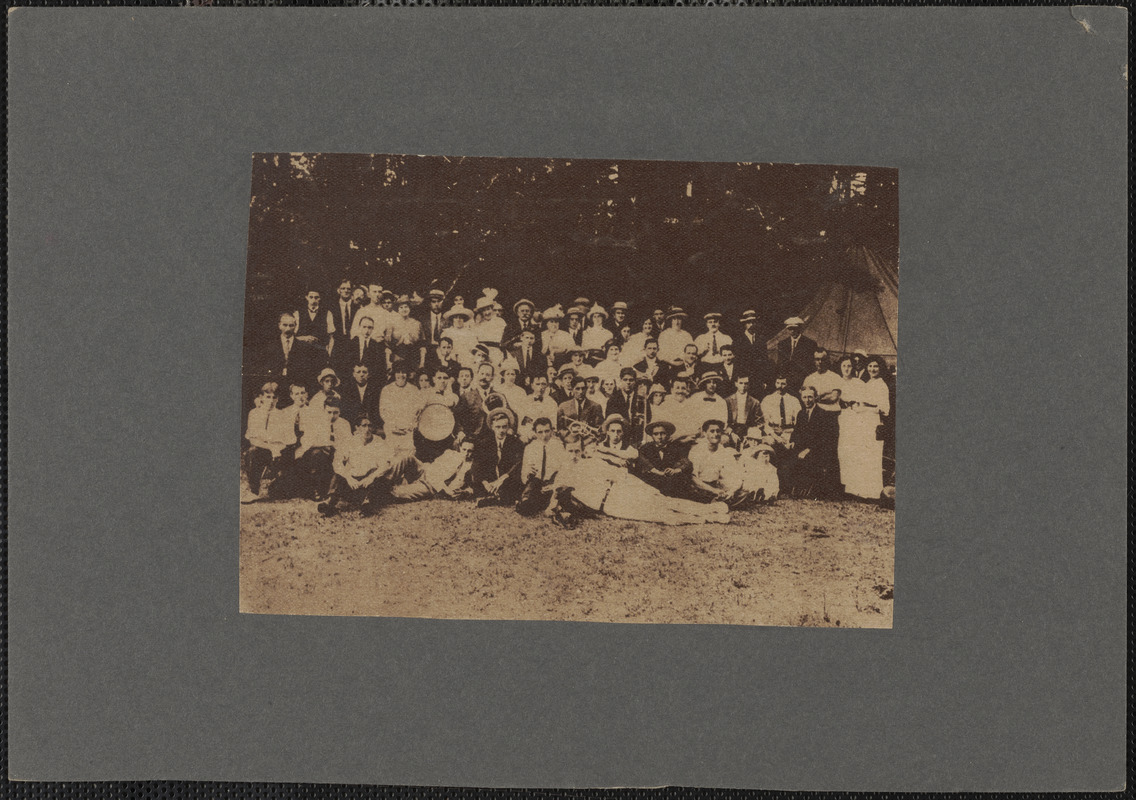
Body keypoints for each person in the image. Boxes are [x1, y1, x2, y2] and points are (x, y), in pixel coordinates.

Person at [549, 429, 729, 527]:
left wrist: (645, 489)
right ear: (564, 450)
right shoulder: (564, 473)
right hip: (610, 507)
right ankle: (708, 518)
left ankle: (714, 510)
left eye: (577, 451)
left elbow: (621, 476)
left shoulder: (592, 461)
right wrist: (556, 508)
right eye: (570, 451)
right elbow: (551, 505)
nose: (574, 454)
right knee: (663, 517)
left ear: (581, 450)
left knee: (666, 502)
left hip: (621, 493)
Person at [317, 417, 418, 517]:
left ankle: (367, 504)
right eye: (364, 425)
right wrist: (349, 478)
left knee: (379, 479)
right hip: (353, 481)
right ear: (357, 428)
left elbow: (385, 465)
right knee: (338, 476)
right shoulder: (349, 442)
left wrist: (371, 477)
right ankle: (329, 502)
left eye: (370, 426)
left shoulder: (379, 443)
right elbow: (337, 462)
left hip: (370, 481)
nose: (367, 429)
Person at [836, 354, 889, 501]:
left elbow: (884, 408)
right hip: (863, 422)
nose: (872, 369)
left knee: (872, 457)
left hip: (872, 421)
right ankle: (858, 490)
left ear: (880, 368)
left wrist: (865, 408)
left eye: (875, 366)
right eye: (870, 366)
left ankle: (872, 492)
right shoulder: (868, 383)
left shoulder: (881, 384)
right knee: (861, 456)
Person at [241, 382, 298, 502]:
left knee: (279, 493)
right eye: (268, 397)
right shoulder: (254, 414)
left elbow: (289, 440)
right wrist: (271, 448)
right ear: (261, 397)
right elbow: (253, 439)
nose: (271, 401)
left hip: (280, 452)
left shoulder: (283, 415)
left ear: (278, 399)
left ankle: (275, 483)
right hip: (263, 451)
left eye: (274, 397)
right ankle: (253, 491)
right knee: (252, 452)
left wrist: (277, 448)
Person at [294, 394, 353, 501]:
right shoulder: (316, 422)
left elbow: (349, 443)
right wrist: (327, 443)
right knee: (317, 453)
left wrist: (343, 452)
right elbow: (306, 441)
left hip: (338, 454)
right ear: (324, 410)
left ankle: (332, 492)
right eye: (329, 412)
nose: (332, 416)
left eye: (335, 413)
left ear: (340, 412)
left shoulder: (344, 424)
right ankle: (315, 489)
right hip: (320, 454)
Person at [786, 385, 840, 498]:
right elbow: (797, 432)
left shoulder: (823, 414)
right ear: (801, 398)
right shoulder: (801, 414)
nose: (807, 400)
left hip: (819, 450)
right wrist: (792, 442)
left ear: (815, 397)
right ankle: (794, 488)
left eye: (810, 397)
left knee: (807, 458)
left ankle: (808, 489)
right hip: (804, 449)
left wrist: (808, 450)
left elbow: (825, 438)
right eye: (804, 397)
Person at [391, 438, 477, 502]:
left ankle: (382, 490)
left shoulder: (472, 466)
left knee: (398, 492)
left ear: (474, 452)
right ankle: (383, 479)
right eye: (464, 449)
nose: (466, 453)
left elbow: (473, 486)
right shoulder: (450, 454)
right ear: (460, 447)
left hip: (431, 486)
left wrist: (465, 493)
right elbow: (433, 471)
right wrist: (447, 490)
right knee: (407, 458)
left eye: (470, 451)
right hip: (424, 471)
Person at [472, 408, 525, 507]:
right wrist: (486, 483)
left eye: (504, 427)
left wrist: (501, 480)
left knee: (514, 483)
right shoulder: (484, 443)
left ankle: (492, 498)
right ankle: (495, 495)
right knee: (470, 476)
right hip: (490, 480)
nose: (501, 430)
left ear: (508, 427)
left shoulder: (516, 443)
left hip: (506, 478)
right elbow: (477, 464)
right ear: (492, 427)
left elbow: (517, 464)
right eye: (498, 427)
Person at [515, 417, 565, 516]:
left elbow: (563, 471)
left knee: (561, 494)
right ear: (535, 432)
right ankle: (527, 502)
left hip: (552, 483)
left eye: (547, 431)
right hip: (536, 484)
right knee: (527, 506)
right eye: (540, 432)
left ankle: (549, 503)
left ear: (552, 431)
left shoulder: (559, 446)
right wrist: (528, 473)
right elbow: (523, 476)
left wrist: (554, 485)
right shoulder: (530, 448)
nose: (544, 435)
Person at [262, 312, 322, 393]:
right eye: (285, 325)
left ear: (295, 326)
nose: (288, 329)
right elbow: (265, 366)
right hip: (274, 387)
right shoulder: (270, 345)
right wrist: (270, 382)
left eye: (291, 325)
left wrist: (296, 385)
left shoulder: (303, 347)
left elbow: (306, 371)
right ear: (279, 325)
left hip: (295, 387)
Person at [687, 419, 743, 504]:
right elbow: (693, 478)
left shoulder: (724, 451)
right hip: (700, 486)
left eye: (718, 431)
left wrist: (731, 491)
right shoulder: (696, 451)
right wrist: (713, 490)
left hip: (716, 485)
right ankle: (717, 501)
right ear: (705, 433)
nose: (715, 434)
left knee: (743, 490)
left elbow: (734, 475)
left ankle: (723, 499)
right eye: (712, 431)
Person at [379, 360, 423, 453]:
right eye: (398, 372)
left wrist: (410, 426)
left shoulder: (414, 390)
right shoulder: (387, 390)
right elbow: (383, 411)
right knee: (391, 454)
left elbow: (418, 411)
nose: (401, 375)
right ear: (394, 374)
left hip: (408, 430)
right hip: (392, 429)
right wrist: (394, 427)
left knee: (408, 454)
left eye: (403, 372)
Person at [454, 362, 504, 442]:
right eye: (482, 373)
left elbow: (509, 414)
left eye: (487, 375)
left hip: (493, 439)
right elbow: (458, 417)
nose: (484, 377)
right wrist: (460, 432)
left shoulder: (499, 397)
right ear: (477, 374)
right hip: (473, 440)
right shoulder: (466, 397)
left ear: (492, 377)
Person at [335, 314, 387, 389]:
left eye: (370, 327)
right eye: (364, 327)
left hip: (370, 383)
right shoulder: (350, 344)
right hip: (351, 382)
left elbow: (381, 369)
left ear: (373, 329)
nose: (367, 330)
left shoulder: (377, 346)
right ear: (359, 327)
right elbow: (344, 365)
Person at [733, 309, 776, 397]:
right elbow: (737, 363)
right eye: (749, 323)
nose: (751, 325)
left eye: (753, 322)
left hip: (758, 380)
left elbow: (764, 361)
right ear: (744, 324)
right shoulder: (738, 341)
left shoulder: (761, 340)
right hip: (744, 380)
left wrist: (764, 380)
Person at [775, 316, 818, 391]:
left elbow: (811, 366)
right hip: (786, 382)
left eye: (795, 328)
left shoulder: (810, 344)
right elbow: (780, 363)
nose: (792, 331)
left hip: (802, 381)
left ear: (800, 329)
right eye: (790, 329)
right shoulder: (782, 344)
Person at [760, 373, 801, 448]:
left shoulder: (794, 400)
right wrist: (775, 436)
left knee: (791, 446)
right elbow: (764, 422)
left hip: (788, 432)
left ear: (787, 385)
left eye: (783, 384)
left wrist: (788, 433)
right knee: (769, 442)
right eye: (777, 383)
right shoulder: (767, 399)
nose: (779, 386)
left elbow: (798, 422)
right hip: (772, 433)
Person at [605, 367, 645, 444]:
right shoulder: (613, 400)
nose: (628, 383)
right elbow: (610, 420)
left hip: (637, 437)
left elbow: (648, 418)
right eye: (625, 380)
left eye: (631, 380)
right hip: (620, 439)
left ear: (635, 381)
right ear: (620, 381)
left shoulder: (641, 399)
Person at [686, 369, 731, 437]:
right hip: (698, 433)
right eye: (709, 382)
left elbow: (723, 420)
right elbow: (690, 417)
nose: (712, 385)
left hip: (715, 433)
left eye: (714, 382)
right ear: (705, 384)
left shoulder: (721, 401)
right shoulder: (695, 398)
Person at [736, 436, 779, 504]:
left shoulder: (771, 468)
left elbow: (774, 482)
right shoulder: (747, 455)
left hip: (766, 482)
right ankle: (755, 495)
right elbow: (741, 468)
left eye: (767, 454)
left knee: (770, 484)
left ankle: (766, 496)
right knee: (751, 483)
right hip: (753, 480)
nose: (754, 442)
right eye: (751, 440)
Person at [387, 295, 426, 370]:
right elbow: (388, 344)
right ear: (398, 310)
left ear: (410, 308)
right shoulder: (392, 324)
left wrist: (422, 362)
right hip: (398, 356)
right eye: (401, 307)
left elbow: (422, 344)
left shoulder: (417, 323)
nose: (404, 309)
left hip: (414, 356)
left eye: (406, 307)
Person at [517, 374, 559, 442]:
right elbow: (521, 426)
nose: (540, 387)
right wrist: (531, 435)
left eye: (543, 384)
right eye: (537, 384)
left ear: (547, 385)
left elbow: (554, 425)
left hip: (547, 437)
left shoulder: (552, 403)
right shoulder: (524, 401)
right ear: (532, 385)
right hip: (529, 437)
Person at [340, 364, 381, 430]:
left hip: (371, 426)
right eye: (358, 372)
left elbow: (377, 411)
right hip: (352, 426)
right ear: (354, 374)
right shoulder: (347, 390)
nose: (361, 375)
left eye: (364, 372)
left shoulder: (375, 390)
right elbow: (344, 411)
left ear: (369, 374)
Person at [802, 349, 843, 413]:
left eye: (823, 359)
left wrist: (815, 399)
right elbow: (804, 397)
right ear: (814, 361)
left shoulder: (835, 377)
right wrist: (825, 395)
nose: (820, 362)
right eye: (817, 359)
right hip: (814, 415)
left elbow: (833, 397)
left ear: (827, 360)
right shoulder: (809, 379)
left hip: (830, 413)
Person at [725, 374, 763, 442]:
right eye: (741, 383)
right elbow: (724, 421)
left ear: (748, 385)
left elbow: (760, 422)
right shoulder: (728, 401)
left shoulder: (755, 402)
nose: (743, 386)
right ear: (736, 384)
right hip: (732, 430)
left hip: (748, 430)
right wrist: (731, 433)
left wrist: (752, 432)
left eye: (746, 383)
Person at [442, 302, 478, 369]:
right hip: (451, 360)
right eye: (456, 317)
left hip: (467, 361)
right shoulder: (446, 333)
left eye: (460, 317)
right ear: (452, 319)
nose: (458, 320)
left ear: (464, 319)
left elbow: (474, 348)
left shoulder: (470, 332)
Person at [331, 279, 358, 353]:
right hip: (337, 343)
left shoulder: (357, 307)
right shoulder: (332, 307)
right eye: (343, 288)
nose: (346, 291)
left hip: (353, 344)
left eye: (348, 289)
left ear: (352, 291)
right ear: (338, 290)